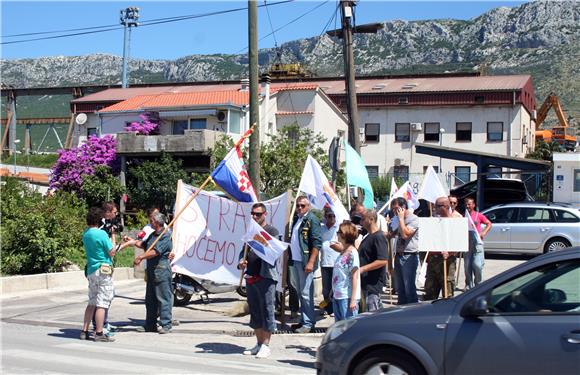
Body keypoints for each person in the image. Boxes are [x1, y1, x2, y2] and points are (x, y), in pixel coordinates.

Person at [239, 203, 279, 359]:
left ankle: (266, 345)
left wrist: (259, 239)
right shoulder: (250, 231)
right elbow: (244, 251)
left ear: (265, 214)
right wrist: (241, 262)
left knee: (267, 310)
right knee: (255, 311)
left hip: (266, 277)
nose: (255, 217)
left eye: (258, 214)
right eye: (253, 214)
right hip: (251, 277)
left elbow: (272, 252)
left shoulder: (272, 231)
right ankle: (258, 343)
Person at [124, 212, 173, 333]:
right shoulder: (152, 235)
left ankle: (166, 324)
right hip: (151, 270)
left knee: (163, 298)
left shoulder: (165, 236)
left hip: (161, 269)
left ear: (157, 222)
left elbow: (155, 252)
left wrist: (141, 257)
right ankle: (150, 324)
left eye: (151, 220)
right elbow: (143, 245)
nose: (149, 221)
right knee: (150, 299)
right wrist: (131, 241)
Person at [80, 207, 117, 342]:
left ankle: (84, 331)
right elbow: (111, 251)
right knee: (102, 302)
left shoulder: (86, 234)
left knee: (92, 301)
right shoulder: (101, 234)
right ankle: (99, 332)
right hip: (103, 270)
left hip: (91, 269)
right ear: (99, 220)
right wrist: (113, 237)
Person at [289, 196, 322, 333]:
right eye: (298, 205)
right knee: (300, 292)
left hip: (305, 261)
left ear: (308, 206)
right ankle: (303, 320)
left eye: (302, 205)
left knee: (306, 293)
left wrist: (311, 262)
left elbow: (316, 243)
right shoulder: (297, 218)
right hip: (296, 260)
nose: (300, 208)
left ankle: (308, 323)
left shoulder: (312, 220)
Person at [424, 197, 458, 300]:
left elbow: (460, 243)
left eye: (438, 206)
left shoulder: (455, 222)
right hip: (433, 260)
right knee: (430, 292)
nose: (435, 208)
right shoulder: (433, 222)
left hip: (447, 261)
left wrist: (451, 252)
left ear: (446, 207)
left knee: (447, 294)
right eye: (434, 206)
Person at [389, 197, 420, 305]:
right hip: (398, 255)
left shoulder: (414, 219)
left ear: (403, 207)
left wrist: (401, 219)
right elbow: (392, 234)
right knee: (400, 287)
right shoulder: (397, 219)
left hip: (409, 256)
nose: (394, 211)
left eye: (396, 209)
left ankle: (412, 311)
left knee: (409, 287)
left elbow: (405, 234)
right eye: (393, 209)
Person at [357, 208, 389, 312]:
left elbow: (383, 260)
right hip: (365, 282)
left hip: (373, 284)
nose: (361, 221)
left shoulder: (379, 237)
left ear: (370, 219)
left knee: (372, 313)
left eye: (363, 219)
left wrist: (362, 269)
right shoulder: (368, 237)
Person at [332, 222, 361, 321]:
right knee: (339, 327)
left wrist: (353, 300)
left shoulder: (353, 253)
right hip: (338, 294)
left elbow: (354, 276)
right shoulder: (343, 252)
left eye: (339, 232)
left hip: (347, 297)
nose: (337, 234)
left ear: (344, 235)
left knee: (347, 327)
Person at [464, 197, 492, 289]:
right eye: (466, 204)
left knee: (477, 265)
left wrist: (483, 232)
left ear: (474, 205)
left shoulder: (478, 215)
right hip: (467, 243)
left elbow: (489, 224)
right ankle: (469, 285)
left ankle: (478, 284)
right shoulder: (464, 216)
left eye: (470, 204)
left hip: (477, 243)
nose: (468, 206)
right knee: (467, 266)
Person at [319, 208, 341, 315]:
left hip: (336, 262)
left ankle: (333, 308)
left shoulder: (339, 229)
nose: (332, 218)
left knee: (335, 287)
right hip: (325, 262)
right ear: (325, 217)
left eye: (333, 216)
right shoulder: (321, 229)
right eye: (329, 216)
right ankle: (327, 307)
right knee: (326, 288)